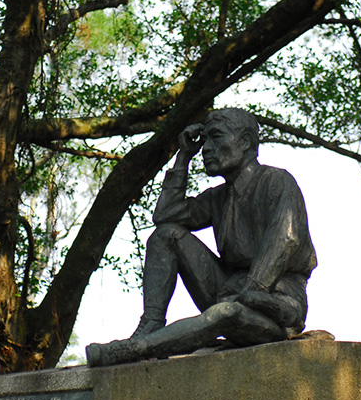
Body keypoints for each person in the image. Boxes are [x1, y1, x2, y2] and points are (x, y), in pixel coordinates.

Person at [85, 108, 317, 367]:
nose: (206, 148)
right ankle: (150, 324)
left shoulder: (277, 181)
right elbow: (165, 215)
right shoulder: (218, 197)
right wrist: (183, 156)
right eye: (204, 139)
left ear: (245, 142)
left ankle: (135, 349)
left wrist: (250, 292)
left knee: (226, 312)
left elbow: (284, 241)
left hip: (274, 303)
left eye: (216, 137)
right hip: (228, 292)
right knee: (165, 236)